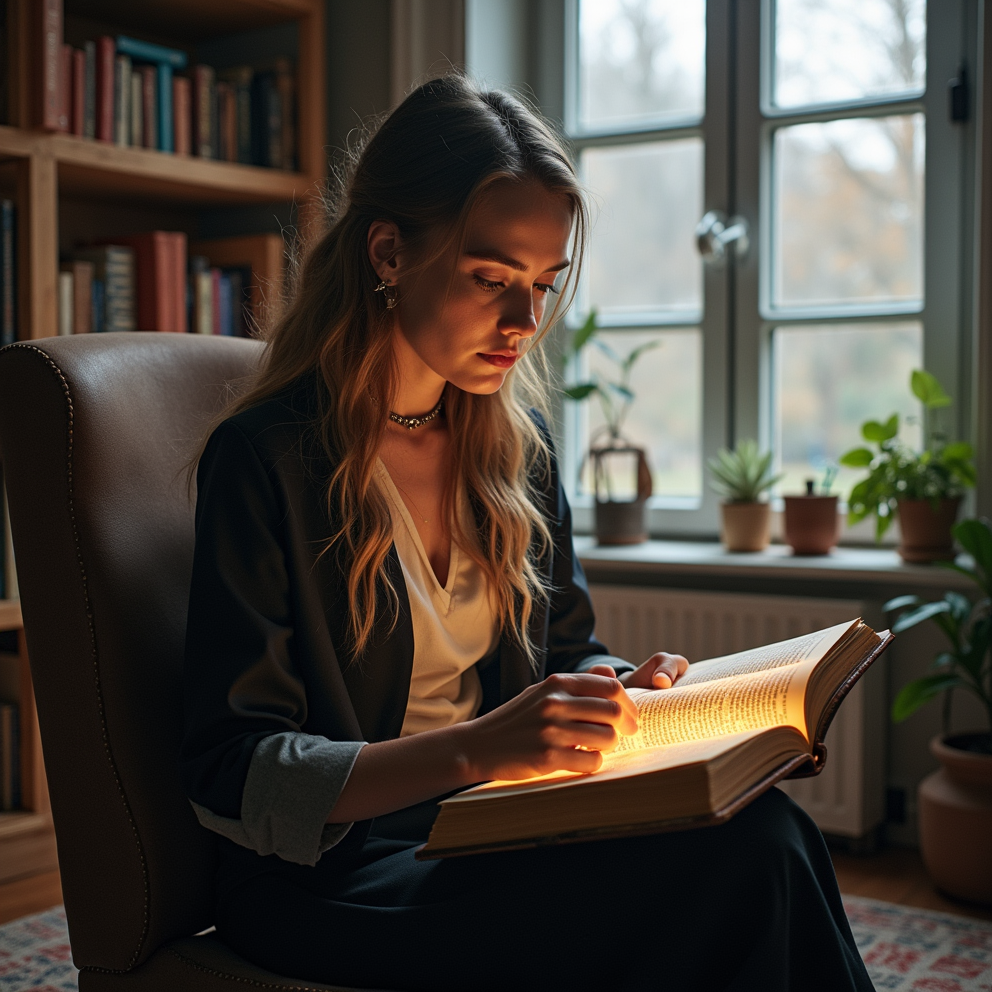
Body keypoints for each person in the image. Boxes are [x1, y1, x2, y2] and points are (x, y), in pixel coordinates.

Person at [181, 75, 873, 992]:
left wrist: (626, 694)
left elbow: (565, 654)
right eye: (491, 279)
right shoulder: (264, 460)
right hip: (335, 878)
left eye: (543, 284)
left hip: (492, 825)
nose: (525, 323)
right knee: (738, 873)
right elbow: (235, 769)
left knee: (765, 833)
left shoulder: (519, 449)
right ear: (387, 252)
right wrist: (478, 749)